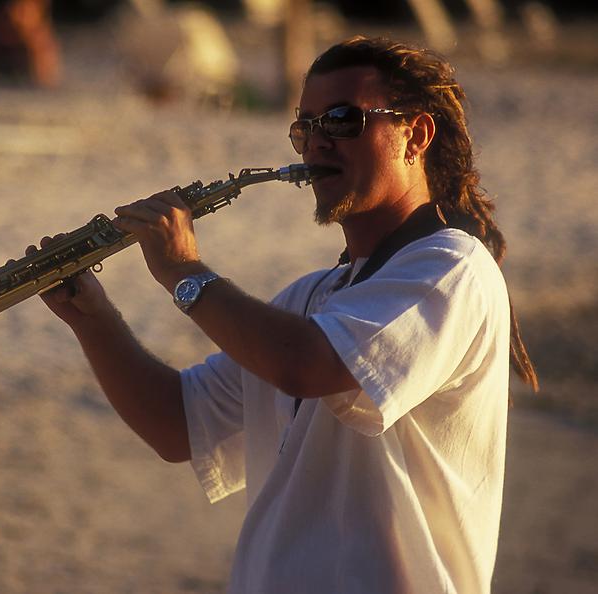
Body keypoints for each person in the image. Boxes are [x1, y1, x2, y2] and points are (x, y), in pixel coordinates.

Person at [30, 36, 538, 593]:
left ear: (414, 135)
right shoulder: (310, 299)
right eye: (305, 127)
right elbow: (177, 426)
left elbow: (308, 367)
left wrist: (183, 271)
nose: (317, 144)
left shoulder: (451, 267)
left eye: (342, 121)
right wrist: (91, 316)